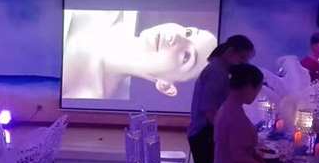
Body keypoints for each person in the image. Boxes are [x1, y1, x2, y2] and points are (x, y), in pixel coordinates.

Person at [62, 10, 217, 99]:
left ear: (166, 86)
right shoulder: (112, 7)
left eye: (186, 56)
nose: (176, 36)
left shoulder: (82, 95)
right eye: (188, 32)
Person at [187, 34, 255, 163]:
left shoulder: (219, 69)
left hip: (202, 132)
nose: (243, 63)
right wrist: (226, 134)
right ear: (230, 52)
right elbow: (209, 110)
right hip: (204, 133)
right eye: (242, 58)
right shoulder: (217, 72)